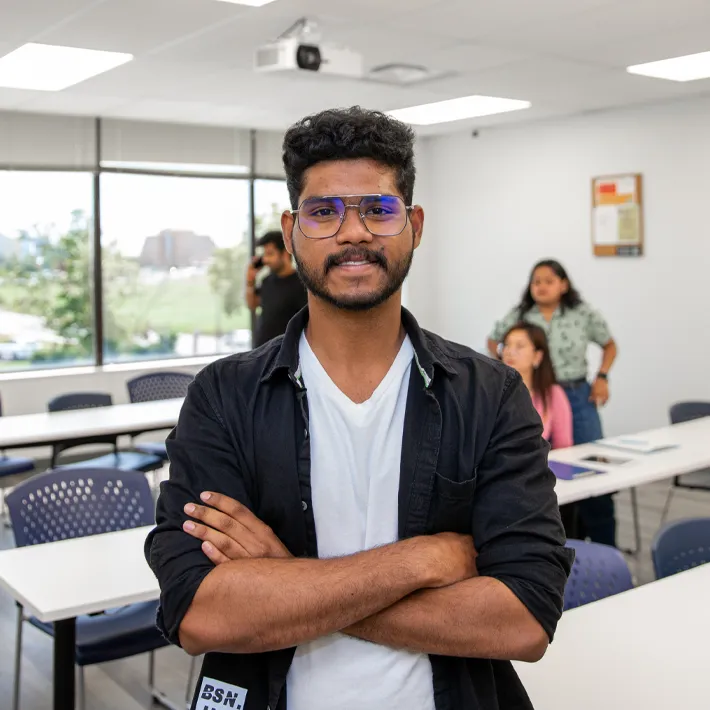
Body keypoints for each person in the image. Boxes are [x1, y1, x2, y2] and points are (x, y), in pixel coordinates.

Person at [147, 106, 573, 710]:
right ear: (293, 230)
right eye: (324, 212)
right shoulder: (225, 397)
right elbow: (199, 612)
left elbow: (523, 621)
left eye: (378, 209)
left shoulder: (489, 395)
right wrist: (421, 560)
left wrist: (284, 574)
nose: (352, 232)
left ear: (415, 224)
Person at [488, 259, 618, 545]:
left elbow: (609, 344)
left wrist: (602, 377)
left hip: (576, 394)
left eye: (548, 280)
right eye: (536, 281)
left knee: (590, 472)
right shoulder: (522, 314)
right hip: (535, 393)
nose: (541, 286)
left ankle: (604, 548)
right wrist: (507, 370)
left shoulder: (581, 313)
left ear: (563, 284)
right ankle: (561, 540)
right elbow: (494, 340)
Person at [501, 323, 573, 450]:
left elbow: (563, 446)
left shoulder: (553, 394)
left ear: (537, 356)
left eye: (520, 346)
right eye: (506, 345)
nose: (509, 352)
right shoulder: (490, 391)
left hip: (536, 466)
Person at [246, 229, 307, 347]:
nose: (265, 260)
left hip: (285, 355)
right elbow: (252, 304)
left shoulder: (301, 284)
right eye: (264, 255)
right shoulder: (266, 281)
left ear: (284, 254)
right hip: (261, 352)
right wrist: (250, 281)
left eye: (269, 254)